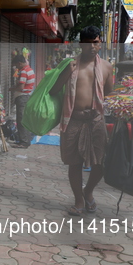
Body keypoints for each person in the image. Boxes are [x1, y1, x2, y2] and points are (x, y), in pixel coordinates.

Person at [49, 26, 114, 216]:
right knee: (74, 163)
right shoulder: (69, 64)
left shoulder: (106, 67)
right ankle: (78, 199)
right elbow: (53, 91)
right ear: (81, 44)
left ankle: (88, 191)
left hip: (96, 120)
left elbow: (109, 92)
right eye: (88, 43)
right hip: (73, 120)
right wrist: (66, 74)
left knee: (100, 162)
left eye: (96, 42)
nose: (93, 46)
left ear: (100, 43)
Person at [9, 54, 35, 148]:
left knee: (21, 120)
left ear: (20, 63)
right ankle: (23, 140)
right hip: (27, 96)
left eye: (16, 65)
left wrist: (11, 89)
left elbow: (21, 87)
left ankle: (24, 142)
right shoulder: (30, 69)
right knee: (23, 119)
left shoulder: (24, 71)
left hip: (22, 97)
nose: (16, 67)